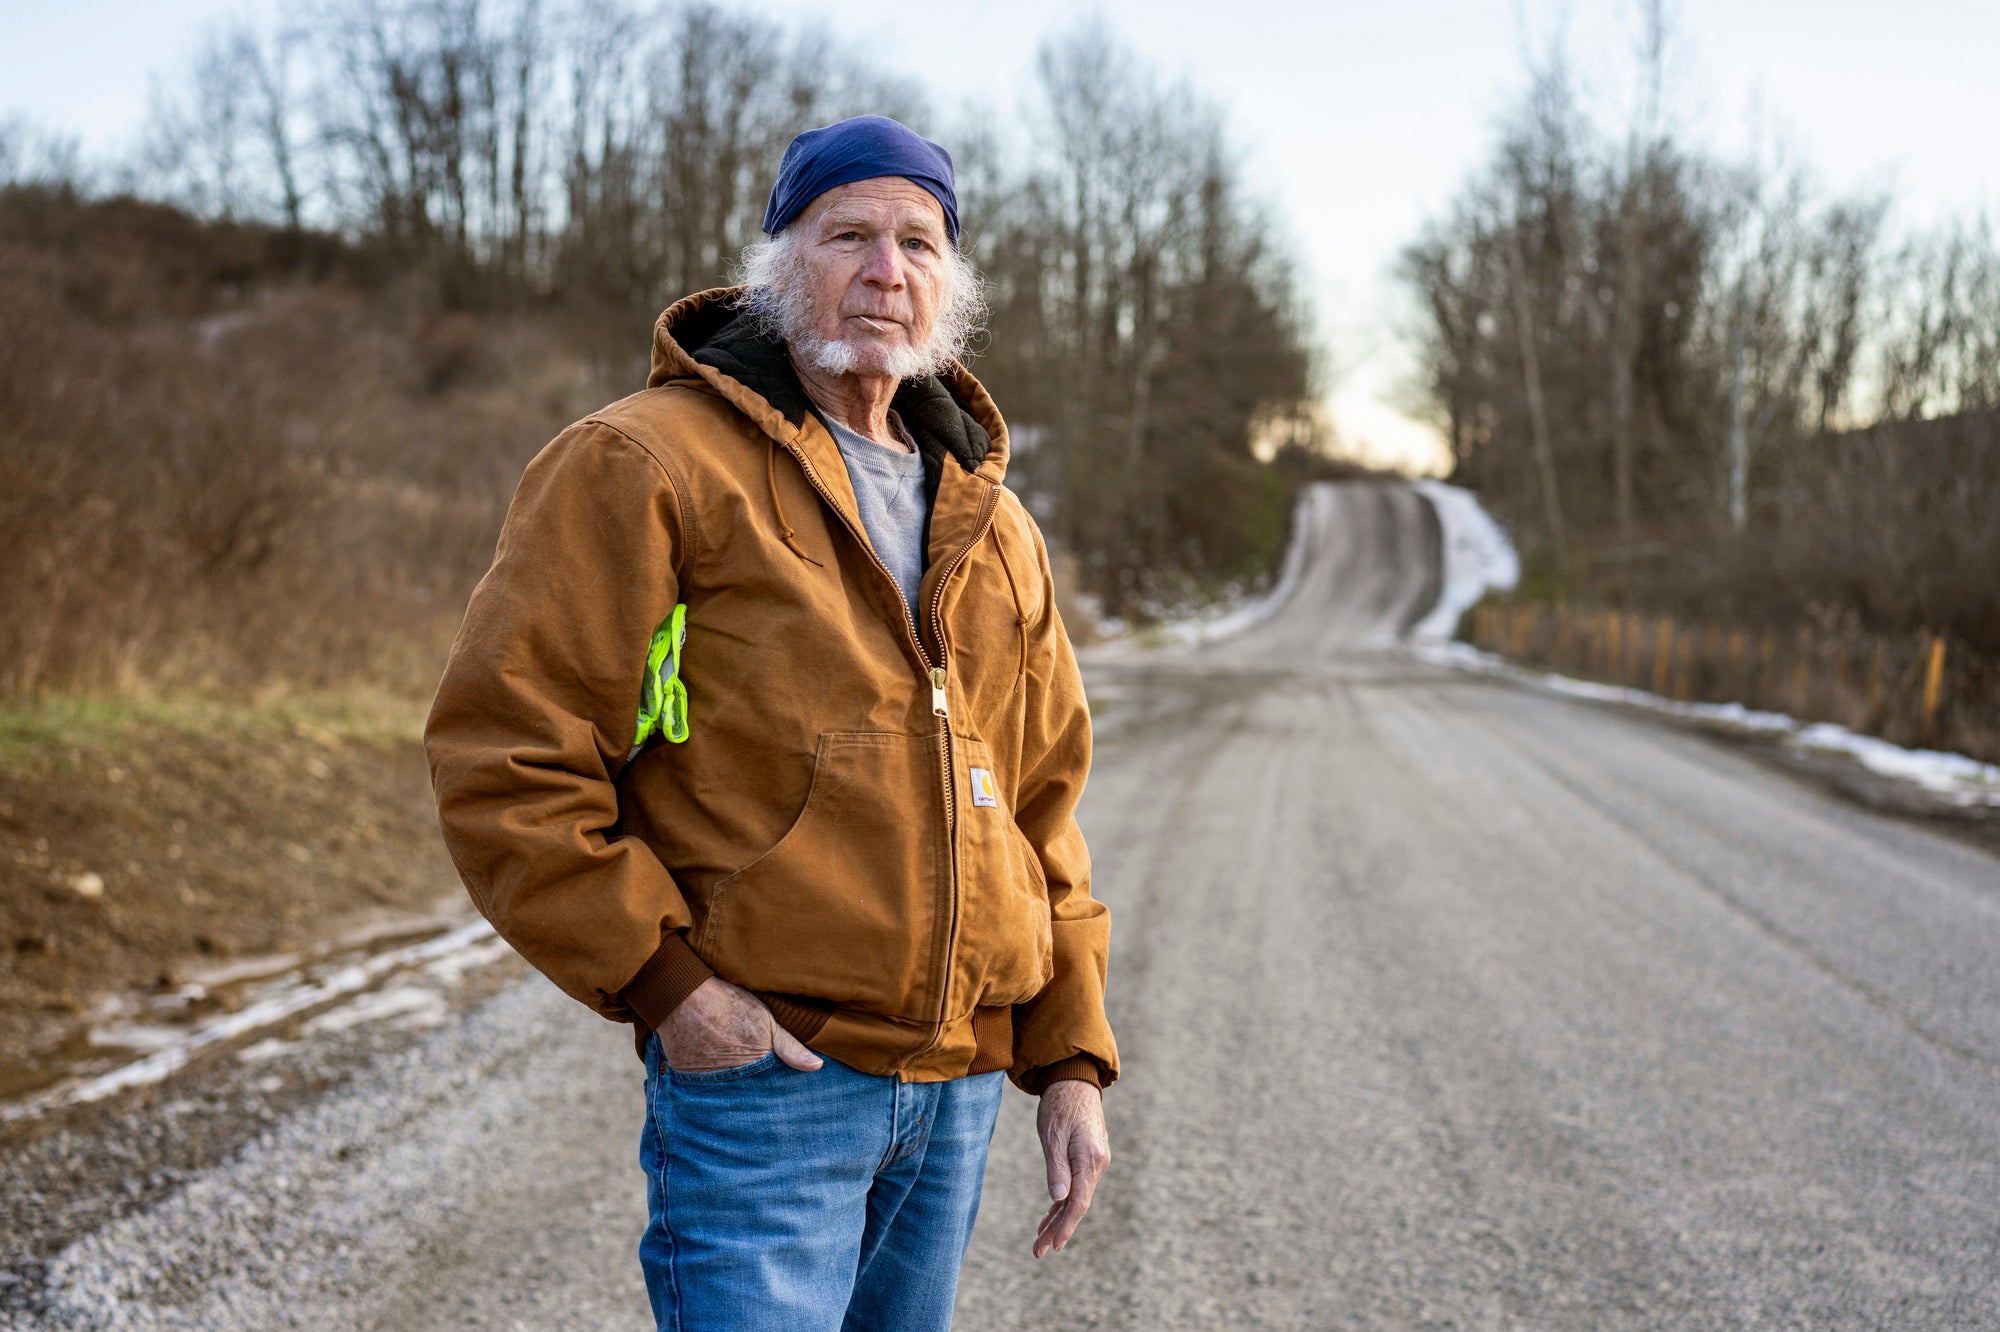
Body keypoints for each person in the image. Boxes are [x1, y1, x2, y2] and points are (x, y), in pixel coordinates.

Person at [423, 114, 1117, 1331]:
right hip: (767, 1080)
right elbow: (508, 758)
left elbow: (1039, 804)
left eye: (917, 241)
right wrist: (670, 991)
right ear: (776, 260)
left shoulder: (994, 524)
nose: (884, 270)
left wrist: (1065, 1058)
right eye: (846, 232)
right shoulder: (642, 464)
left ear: (951, 285)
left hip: (952, 1094)